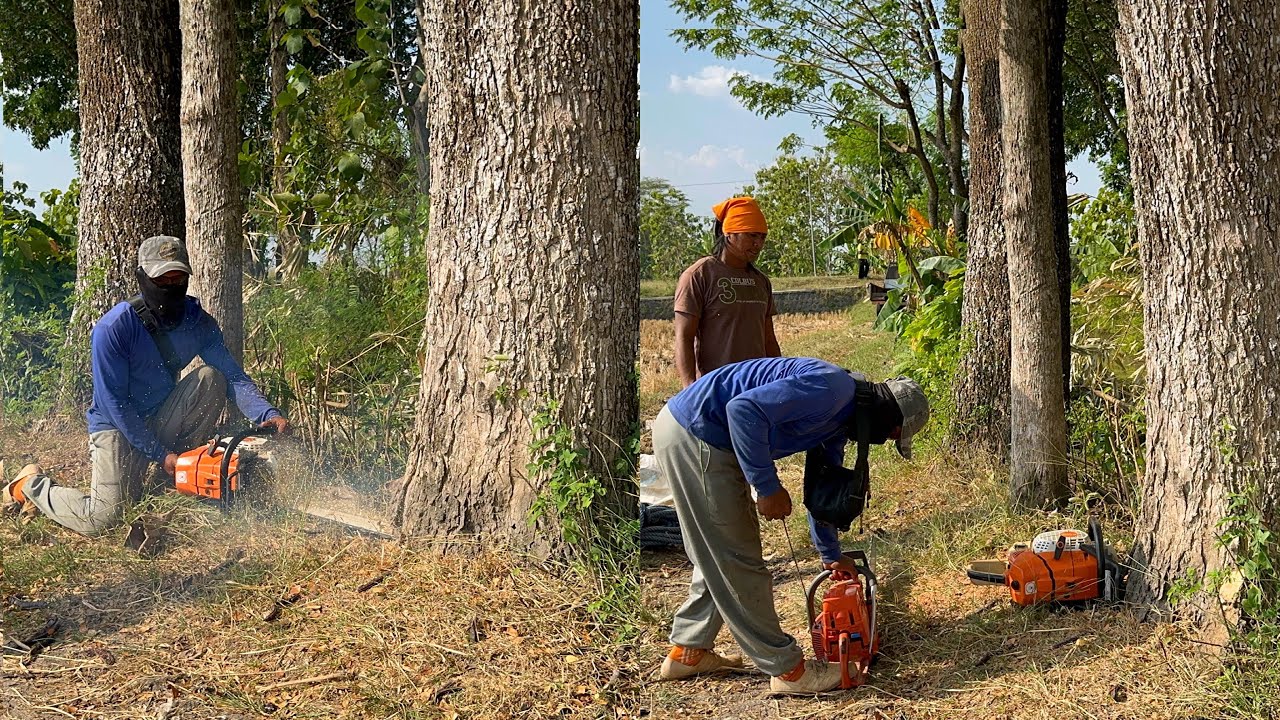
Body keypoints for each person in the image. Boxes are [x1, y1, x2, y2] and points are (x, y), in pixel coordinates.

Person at [653, 356, 929, 695]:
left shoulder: (840, 418)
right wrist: (767, 487)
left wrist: (830, 554)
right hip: (697, 433)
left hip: (702, 436)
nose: (885, 439)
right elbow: (743, 410)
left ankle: (688, 652)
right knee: (737, 560)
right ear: (888, 415)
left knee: (721, 549)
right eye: (893, 433)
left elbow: (822, 490)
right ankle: (788, 671)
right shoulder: (831, 389)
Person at [3, 236, 291, 535]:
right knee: (102, 518)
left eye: (178, 279)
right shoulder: (114, 329)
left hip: (161, 414)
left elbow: (232, 376)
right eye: (161, 279)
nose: (170, 286)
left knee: (211, 377)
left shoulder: (198, 322)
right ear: (142, 278)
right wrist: (159, 453)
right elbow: (114, 403)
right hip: (115, 426)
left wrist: (266, 413)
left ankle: (169, 480)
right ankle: (30, 485)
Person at [673, 197, 780, 388]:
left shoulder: (761, 281)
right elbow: (684, 336)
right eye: (752, 236)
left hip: (757, 386)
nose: (758, 244)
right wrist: (690, 389)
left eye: (762, 237)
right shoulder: (699, 275)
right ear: (729, 233)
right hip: (715, 387)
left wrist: (779, 380)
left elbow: (769, 339)